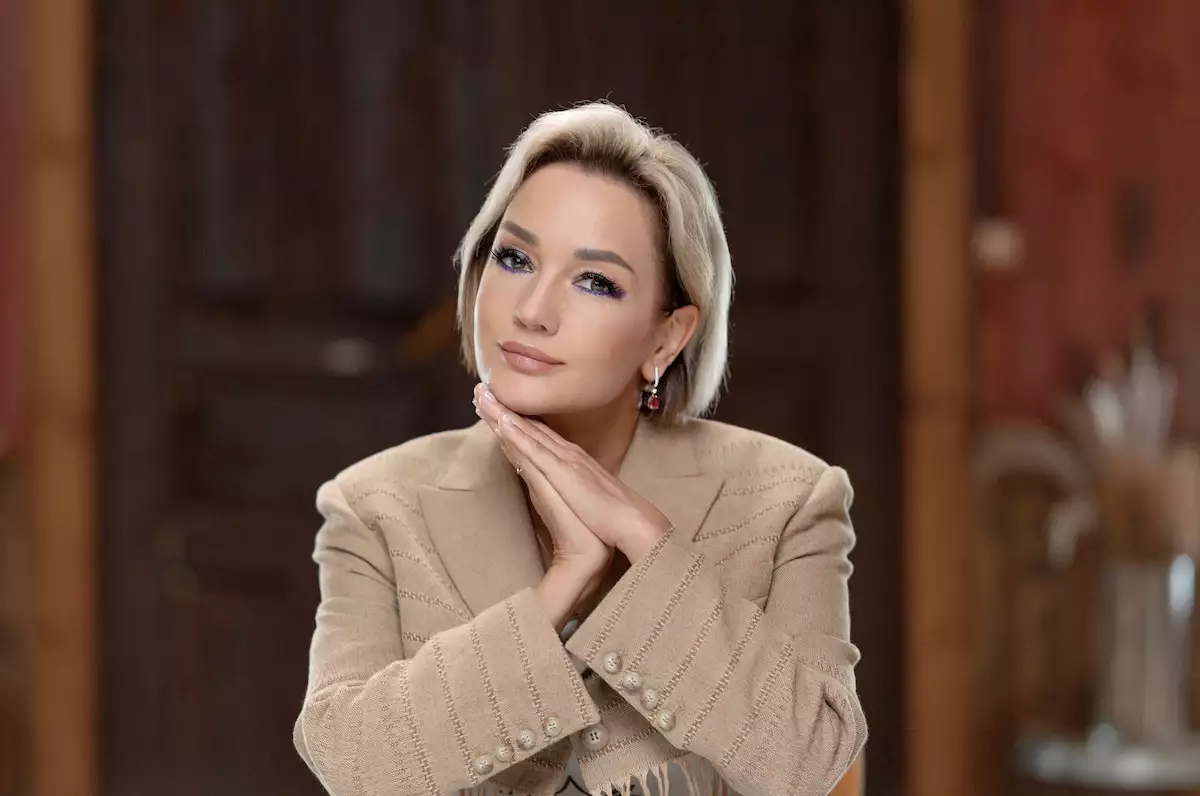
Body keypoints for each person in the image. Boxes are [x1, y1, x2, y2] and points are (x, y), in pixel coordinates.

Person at [293, 101, 866, 796]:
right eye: (514, 258)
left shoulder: (789, 500)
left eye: (596, 281)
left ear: (667, 338)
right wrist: (563, 583)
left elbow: (810, 763)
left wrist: (644, 542)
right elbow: (354, 766)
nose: (533, 310)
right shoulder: (372, 506)